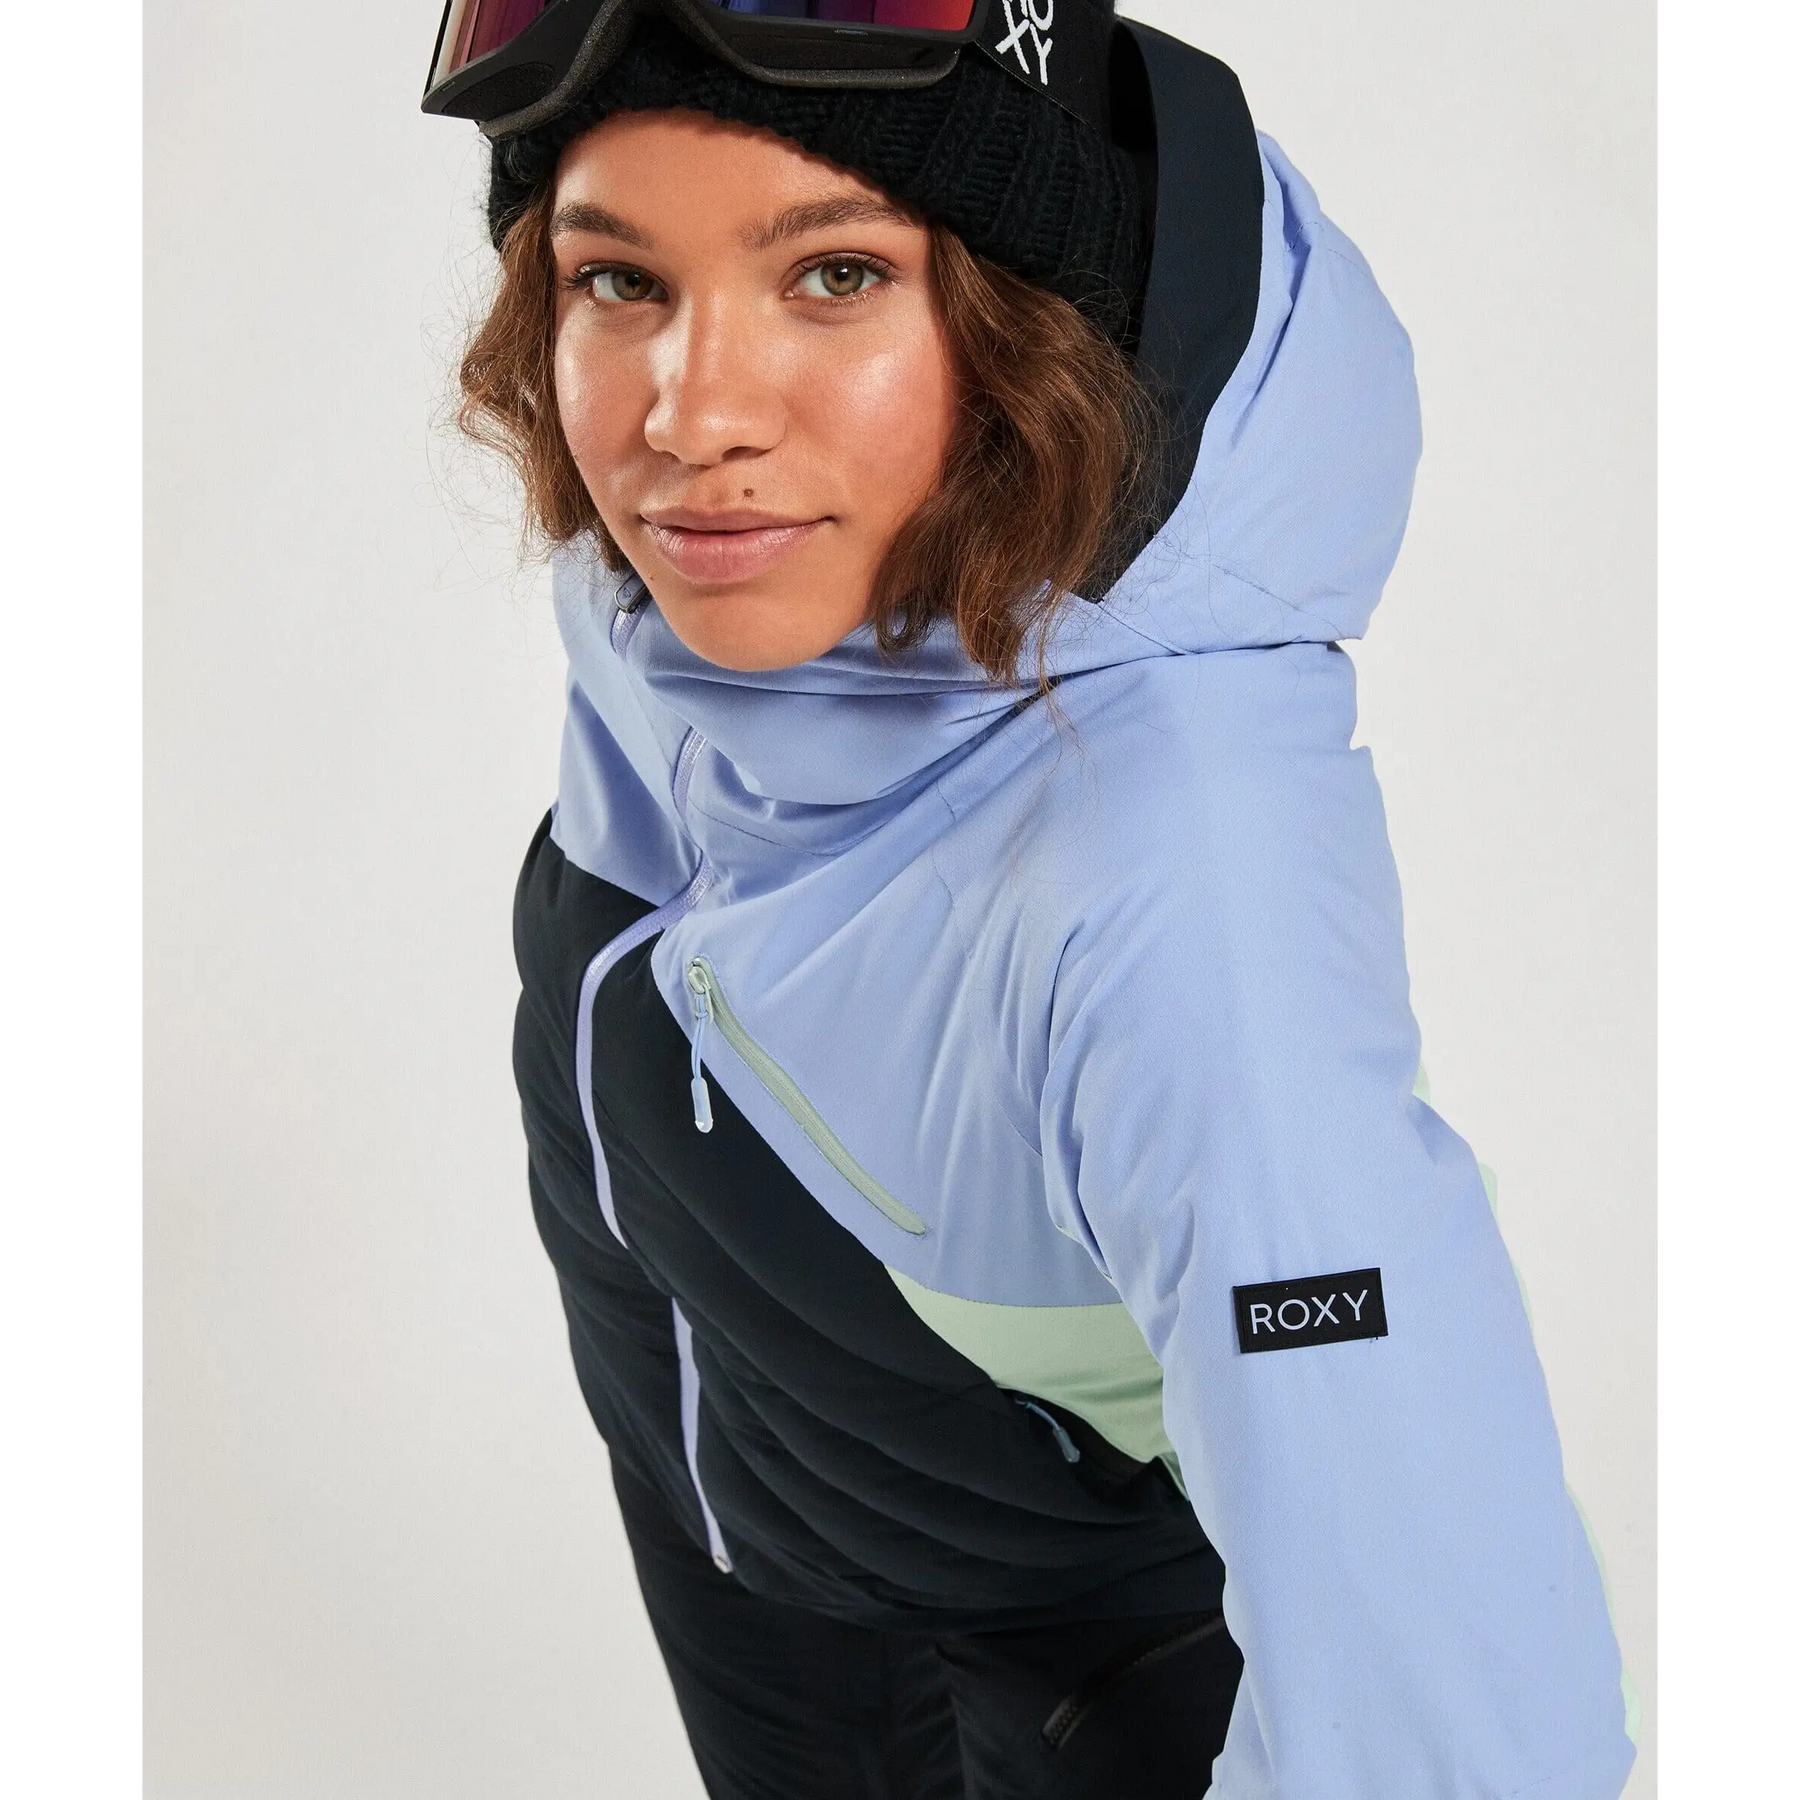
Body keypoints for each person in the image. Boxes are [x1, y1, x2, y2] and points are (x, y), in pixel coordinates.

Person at [426, 3, 1635, 1794]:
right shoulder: (714, 590)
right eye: (620, 281)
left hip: (1082, 1680)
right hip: (759, 1539)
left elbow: (1458, 1716)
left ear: (1027, 317)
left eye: (835, 275)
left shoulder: (1172, 878)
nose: (690, 413)